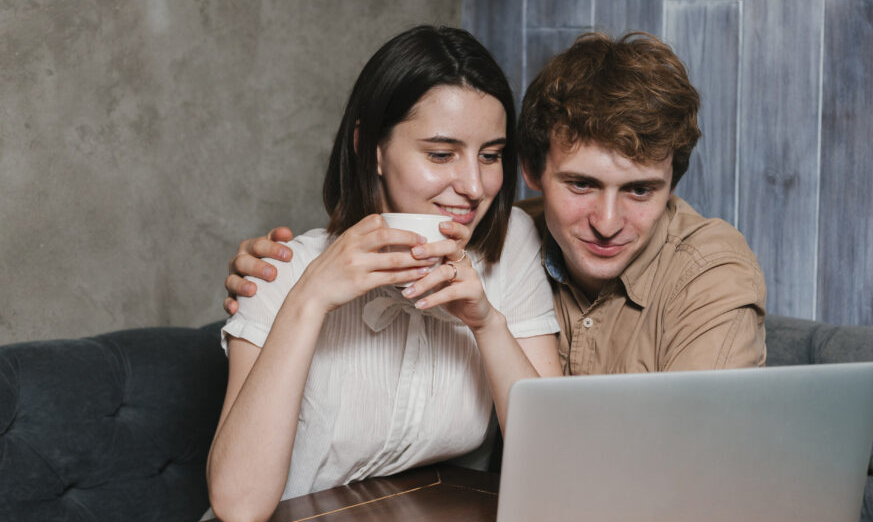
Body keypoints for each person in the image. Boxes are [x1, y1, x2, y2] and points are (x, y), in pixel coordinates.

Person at [227, 31, 766, 377]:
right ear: (529, 172)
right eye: (580, 185)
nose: (606, 223)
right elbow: (384, 231)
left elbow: (697, 470)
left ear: (672, 182)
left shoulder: (709, 273)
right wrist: (280, 273)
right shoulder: (498, 232)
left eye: (640, 190)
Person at [209, 25, 560, 522]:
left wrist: (488, 325)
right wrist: (308, 299)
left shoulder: (510, 245)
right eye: (440, 154)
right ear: (371, 147)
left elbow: (554, 466)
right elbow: (239, 507)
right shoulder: (279, 269)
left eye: (490, 155)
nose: (474, 187)